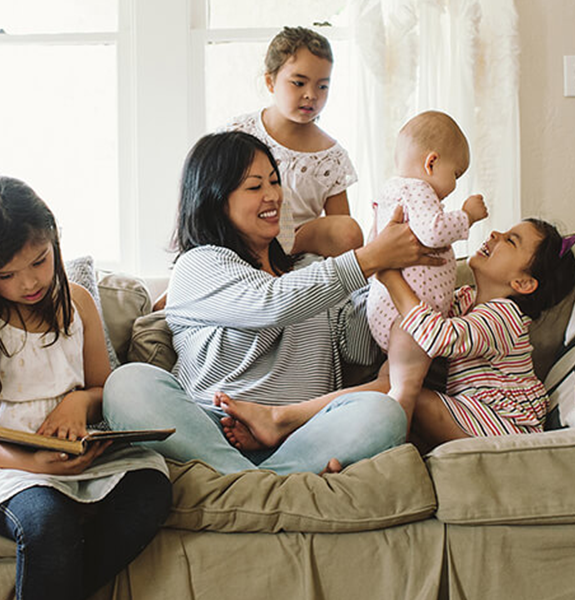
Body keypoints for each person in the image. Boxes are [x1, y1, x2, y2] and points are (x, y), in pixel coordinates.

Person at [103, 131, 444, 476]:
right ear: (215, 199)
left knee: (382, 412)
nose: (273, 196)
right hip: (209, 433)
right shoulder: (199, 265)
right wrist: (367, 259)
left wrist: (387, 272)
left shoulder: (312, 269)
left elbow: (360, 349)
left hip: (300, 438)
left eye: (275, 181)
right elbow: (272, 303)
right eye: (254, 187)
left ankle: (249, 483)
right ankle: (262, 481)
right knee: (127, 384)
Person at [0, 176, 171, 600]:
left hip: (73, 451)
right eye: (6, 274)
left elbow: (103, 389)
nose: (29, 283)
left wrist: (79, 402)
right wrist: (32, 465)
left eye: (40, 260)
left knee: (151, 491)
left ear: (54, 240)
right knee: (48, 522)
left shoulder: (78, 304)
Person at [220, 218, 575, 455]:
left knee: (406, 395)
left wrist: (389, 276)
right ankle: (314, 444)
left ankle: (286, 422)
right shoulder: (468, 299)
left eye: (510, 241)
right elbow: (421, 313)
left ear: (523, 284)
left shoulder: (505, 317)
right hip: (470, 414)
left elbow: (435, 336)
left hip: (502, 428)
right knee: (395, 383)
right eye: (502, 232)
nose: (495, 236)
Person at [223, 25, 363, 258]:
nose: (312, 94)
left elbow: (341, 230)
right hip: (244, 238)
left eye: (322, 86)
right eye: (299, 83)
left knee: (348, 230)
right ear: (270, 82)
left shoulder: (330, 155)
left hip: (298, 247)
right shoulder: (239, 133)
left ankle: (282, 255)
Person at [367, 110, 488, 351]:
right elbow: (434, 232)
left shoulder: (392, 193)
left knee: (394, 375)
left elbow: (372, 241)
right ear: (431, 163)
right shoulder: (417, 189)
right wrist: (469, 216)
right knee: (406, 384)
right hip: (407, 318)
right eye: (456, 174)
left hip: (390, 313)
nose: (454, 186)